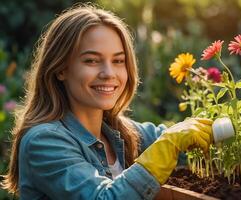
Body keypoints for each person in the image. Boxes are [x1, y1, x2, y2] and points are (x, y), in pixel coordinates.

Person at [1, 4, 213, 200]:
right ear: (60, 69)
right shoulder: (43, 142)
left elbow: (183, 141)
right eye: (91, 60)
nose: (109, 73)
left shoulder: (119, 132)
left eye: (118, 61)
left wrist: (230, 127)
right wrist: (168, 146)